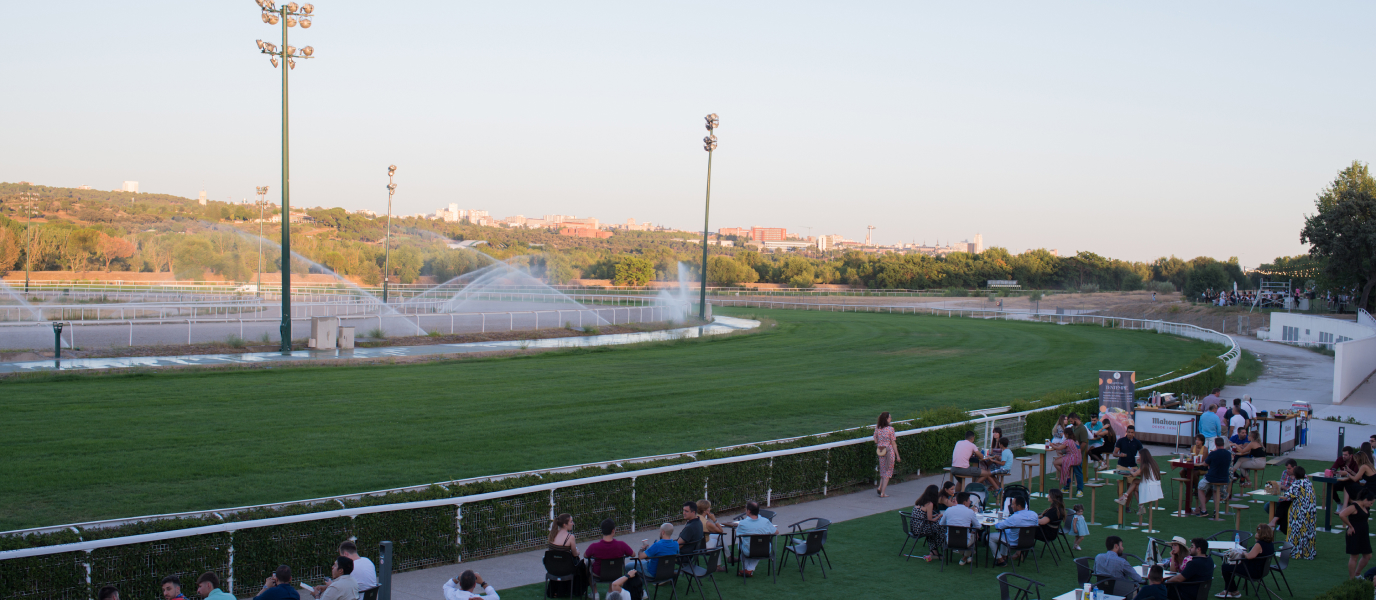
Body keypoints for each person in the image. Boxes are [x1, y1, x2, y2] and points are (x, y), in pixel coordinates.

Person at [1219, 524, 1274, 598]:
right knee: (1230, 566)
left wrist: (1243, 552)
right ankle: (1230, 591)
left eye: (1258, 532)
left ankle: (1232, 591)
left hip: (1253, 571)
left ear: (1262, 534)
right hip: (1262, 570)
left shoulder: (1259, 544)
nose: (1256, 534)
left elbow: (1249, 556)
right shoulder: (1270, 544)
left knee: (1225, 567)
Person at [1279, 465, 1318, 560]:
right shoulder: (1308, 482)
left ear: (1295, 475)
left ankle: (1295, 551)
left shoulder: (1296, 484)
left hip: (1300, 512)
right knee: (1308, 531)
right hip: (1311, 512)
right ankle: (1307, 551)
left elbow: (1288, 496)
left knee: (1296, 532)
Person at [989, 495, 1039, 567]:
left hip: (1014, 542)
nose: (1011, 506)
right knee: (1005, 532)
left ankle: (1000, 560)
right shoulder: (1034, 514)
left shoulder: (1015, 517)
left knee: (989, 537)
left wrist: (999, 521)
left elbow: (999, 526)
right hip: (1028, 542)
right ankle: (1004, 556)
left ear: (1018, 506)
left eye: (1013, 504)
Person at [734, 500, 777, 576]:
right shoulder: (766, 521)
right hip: (765, 550)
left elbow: (738, 534)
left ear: (749, 511)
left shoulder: (743, 523)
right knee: (758, 545)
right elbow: (776, 532)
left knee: (742, 544)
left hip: (750, 551)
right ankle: (749, 570)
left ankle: (747, 569)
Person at [940, 492, 981, 566]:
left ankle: (965, 557)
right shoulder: (970, 512)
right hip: (964, 541)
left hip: (950, 540)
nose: (970, 502)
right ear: (965, 502)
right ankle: (965, 557)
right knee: (974, 535)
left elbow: (941, 523)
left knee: (959, 535)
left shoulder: (948, 510)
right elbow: (978, 526)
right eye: (969, 500)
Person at [1194, 437, 1232, 516]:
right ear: (1223, 444)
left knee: (1200, 488)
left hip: (1212, 477)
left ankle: (1204, 510)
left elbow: (1205, 464)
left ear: (1215, 444)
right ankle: (1216, 511)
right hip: (1224, 478)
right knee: (1215, 491)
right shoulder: (1228, 454)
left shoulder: (1213, 453)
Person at [1340, 490, 1374, 579]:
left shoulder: (1365, 507)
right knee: (1354, 557)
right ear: (1366, 499)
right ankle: (1352, 579)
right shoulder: (1354, 506)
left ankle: (1357, 574)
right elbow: (1342, 514)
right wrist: (1350, 526)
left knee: (1368, 556)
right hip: (1354, 533)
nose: (1371, 505)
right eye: (1371, 503)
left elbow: (1365, 518)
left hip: (1363, 534)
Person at [911, 485, 945, 561]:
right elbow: (930, 521)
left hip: (914, 527)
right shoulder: (930, 504)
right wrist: (939, 516)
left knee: (935, 528)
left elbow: (924, 516)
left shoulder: (920, 501)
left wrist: (934, 515)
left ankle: (933, 550)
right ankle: (935, 549)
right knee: (941, 527)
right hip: (921, 529)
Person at [874, 412, 900, 498]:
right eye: (890, 417)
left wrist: (880, 443)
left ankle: (880, 487)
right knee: (888, 472)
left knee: (883, 470)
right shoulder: (890, 429)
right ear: (886, 419)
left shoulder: (878, 428)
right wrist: (898, 455)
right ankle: (883, 493)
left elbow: (875, 439)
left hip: (880, 450)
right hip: (889, 451)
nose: (891, 419)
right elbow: (893, 443)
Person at [1269, 459, 1298, 531]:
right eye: (1287, 468)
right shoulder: (1285, 473)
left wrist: (1285, 487)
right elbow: (1282, 486)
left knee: (1284, 505)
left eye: (1289, 468)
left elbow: (1294, 490)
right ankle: (1280, 523)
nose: (1287, 470)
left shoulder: (1300, 475)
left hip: (1294, 500)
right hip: (1284, 498)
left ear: (1294, 468)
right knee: (1268, 506)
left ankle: (1274, 522)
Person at [1052, 430, 1082, 496]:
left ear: (1066, 434)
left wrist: (1051, 444)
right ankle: (1079, 490)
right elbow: (1063, 446)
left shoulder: (1068, 441)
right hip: (1079, 458)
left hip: (1072, 458)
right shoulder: (1075, 441)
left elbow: (1059, 448)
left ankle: (1066, 476)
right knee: (1078, 473)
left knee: (1056, 463)